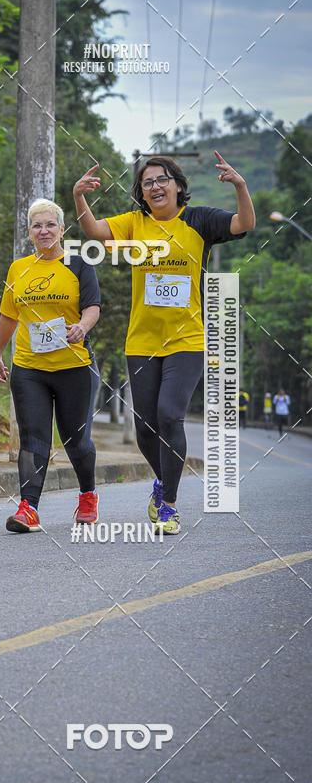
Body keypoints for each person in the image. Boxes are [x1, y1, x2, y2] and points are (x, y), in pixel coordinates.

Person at [73, 151, 255, 534]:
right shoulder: (135, 223)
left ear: (177, 184)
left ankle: (169, 505)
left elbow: (244, 223)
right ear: (142, 191)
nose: (155, 186)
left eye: (162, 179)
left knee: (170, 414)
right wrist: (79, 197)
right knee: (145, 428)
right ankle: (162, 482)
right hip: (141, 341)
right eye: (147, 182)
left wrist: (239, 185)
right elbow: (93, 231)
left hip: (186, 339)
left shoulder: (200, 220)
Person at [0, 198, 101, 532]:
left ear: (62, 229)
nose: (44, 231)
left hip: (73, 367)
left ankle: (87, 495)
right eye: (37, 226)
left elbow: (93, 306)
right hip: (29, 368)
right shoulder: (18, 269)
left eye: (50, 225)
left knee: (75, 439)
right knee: (33, 438)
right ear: (29, 232)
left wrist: (82, 327)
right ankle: (28, 509)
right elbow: (10, 316)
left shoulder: (79, 264)